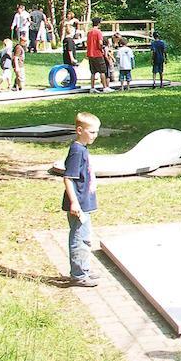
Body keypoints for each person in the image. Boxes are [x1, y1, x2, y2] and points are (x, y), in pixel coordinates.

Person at [62, 112, 101, 287]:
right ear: (80, 130)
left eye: (96, 132)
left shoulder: (83, 148)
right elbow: (68, 178)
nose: (95, 136)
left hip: (85, 202)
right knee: (79, 238)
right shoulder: (77, 150)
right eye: (92, 132)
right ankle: (78, 275)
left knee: (85, 236)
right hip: (78, 204)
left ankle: (84, 269)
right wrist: (74, 202)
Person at [86, 17, 111, 92]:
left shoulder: (89, 32)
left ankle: (92, 88)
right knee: (102, 71)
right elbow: (100, 43)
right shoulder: (98, 32)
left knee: (93, 72)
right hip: (97, 53)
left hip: (90, 54)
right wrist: (102, 49)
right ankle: (105, 87)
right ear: (99, 23)